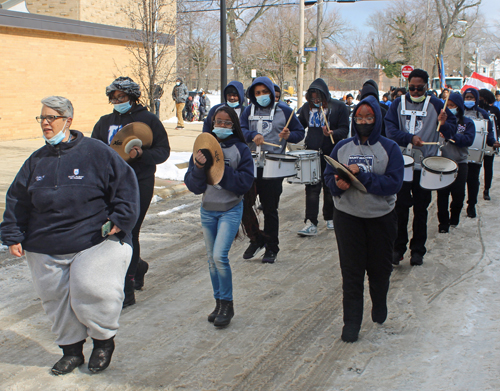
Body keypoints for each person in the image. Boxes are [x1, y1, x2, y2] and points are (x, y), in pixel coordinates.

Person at [0, 96, 140, 375]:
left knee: (90, 287)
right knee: (55, 298)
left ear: (68, 120)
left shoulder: (96, 152)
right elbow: (17, 199)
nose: (46, 124)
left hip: (91, 240)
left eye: (51, 117)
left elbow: (125, 185)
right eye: (42, 118)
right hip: (45, 243)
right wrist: (13, 233)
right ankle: (72, 351)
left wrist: (120, 220)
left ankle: (103, 342)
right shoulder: (36, 160)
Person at [324, 95, 404, 342]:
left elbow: (394, 183)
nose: (364, 121)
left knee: (379, 270)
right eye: (359, 117)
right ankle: (352, 322)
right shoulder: (342, 147)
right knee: (351, 271)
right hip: (348, 217)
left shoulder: (390, 148)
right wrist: (338, 183)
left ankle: (379, 303)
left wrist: (365, 177)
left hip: (381, 217)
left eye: (369, 117)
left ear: (377, 119)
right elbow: (328, 177)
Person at [92, 76, 170, 306]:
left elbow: (163, 151)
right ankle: (139, 265)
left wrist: (142, 155)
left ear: (133, 97)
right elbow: (95, 150)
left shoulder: (149, 120)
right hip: (110, 185)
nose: (117, 101)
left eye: (122, 97)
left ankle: (127, 288)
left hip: (139, 182)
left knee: (129, 232)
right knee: (109, 231)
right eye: (113, 98)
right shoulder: (104, 122)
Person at [184, 106, 254, 327]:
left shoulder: (240, 149)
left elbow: (245, 182)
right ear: (211, 122)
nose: (221, 126)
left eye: (226, 122)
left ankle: (228, 304)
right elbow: (194, 186)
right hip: (208, 210)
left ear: (233, 125)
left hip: (230, 209)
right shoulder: (202, 148)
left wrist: (219, 170)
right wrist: (198, 167)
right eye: (218, 121)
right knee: (211, 261)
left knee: (219, 257)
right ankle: (218, 303)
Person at [385, 68, 457, 266]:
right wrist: (409, 138)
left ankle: (417, 250)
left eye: (419, 88)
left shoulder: (436, 104)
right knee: (399, 208)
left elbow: (451, 131)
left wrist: (445, 123)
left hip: (424, 165)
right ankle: (398, 248)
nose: (415, 92)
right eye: (412, 88)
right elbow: (390, 130)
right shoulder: (397, 104)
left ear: (427, 87)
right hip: (402, 164)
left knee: (421, 208)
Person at [240, 76, 305, 263]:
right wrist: (252, 135)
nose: (261, 96)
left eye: (265, 92)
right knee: (244, 205)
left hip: (273, 165)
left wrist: (289, 135)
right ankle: (256, 238)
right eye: (257, 93)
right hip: (250, 165)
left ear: (271, 91)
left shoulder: (285, 110)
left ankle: (271, 247)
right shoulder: (247, 111)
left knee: (270, 209)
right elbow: (241, 130)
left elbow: (300, 133)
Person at [297, 78, 349, 235]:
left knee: (329, 187)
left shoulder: (339, 107)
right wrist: (290, 132)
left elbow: (345, 129)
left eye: (318, 97)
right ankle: (311, 221)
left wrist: (333, 133)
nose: (316, 100)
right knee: (311, 188)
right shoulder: (307, 108)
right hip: (312, 153)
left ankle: (330, 217)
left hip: (331, 153)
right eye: (312, 97)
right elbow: (299, 126)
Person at [436, 93, 475, 233]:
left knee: (458, 194)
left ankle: (454, 218)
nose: (450, 108)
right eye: (448, 105)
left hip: (460, 162)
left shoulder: (467, 123)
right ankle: (443, 224)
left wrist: (452, 135)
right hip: (442, 162)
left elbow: (468, 140)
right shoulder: (440, 121)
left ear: (459, 107)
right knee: (442, 195)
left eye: (453, 106)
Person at [462, 88, 499, 217]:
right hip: (458, 154)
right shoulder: (458, 111)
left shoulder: (483, 114)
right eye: (467, 97)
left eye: (471, 98)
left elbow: (489, 134)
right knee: (459, 182)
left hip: (475, 155)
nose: (469, 100)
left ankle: (471, 205)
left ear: (476, 99)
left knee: (473, 180)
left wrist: (493, 142)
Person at [478, 89, 500, 200]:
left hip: (490, 142)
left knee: (488, 167)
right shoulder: (476, 110)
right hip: (477, 143)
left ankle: (486, 189)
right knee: (475, 168)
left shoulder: (494, 110)